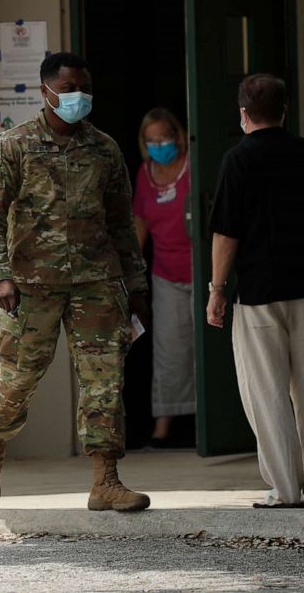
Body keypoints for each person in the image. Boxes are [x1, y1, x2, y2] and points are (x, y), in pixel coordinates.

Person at [0, 52, 151, 512]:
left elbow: (121, 225)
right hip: (30, 285)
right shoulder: (14, 146)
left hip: (96, 282)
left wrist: (137, 284)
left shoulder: (105, 150)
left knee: (104, 380)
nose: (78, 97)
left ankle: (105, 481)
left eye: (84, 89)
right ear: (45, 91)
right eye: (69, 89)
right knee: (18, 376)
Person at [206, 73, 304, 508]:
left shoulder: (237, 161)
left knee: (267, 393)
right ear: (285, 111)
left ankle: (284, 489)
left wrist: (217, 289)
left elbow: (226, 235)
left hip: (259, 295)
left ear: (244, 114)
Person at [132, 108, 195, 448]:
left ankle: (212, 425)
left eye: (164, 138)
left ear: (178, 135)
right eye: (151, 140)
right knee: (170, 350)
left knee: (208, 349)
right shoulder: (146, 173)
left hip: (203, 271)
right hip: (166, 274)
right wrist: (132, 269)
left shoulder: (193, 165)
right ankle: (163, 429)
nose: (159, 145)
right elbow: (140, 221)